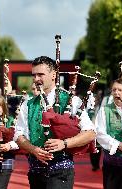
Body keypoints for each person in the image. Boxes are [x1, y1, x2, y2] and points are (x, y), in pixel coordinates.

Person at [14, 56, 96, 189]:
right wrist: (33, 150)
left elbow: (91, 133)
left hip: (61, 171)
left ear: (53, 75)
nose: (36, 79)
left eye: (40, 74)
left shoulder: (72, 101)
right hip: (35, 172)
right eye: (34, 75)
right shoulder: (27, 104)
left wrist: (64, 143)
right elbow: (18, 135)